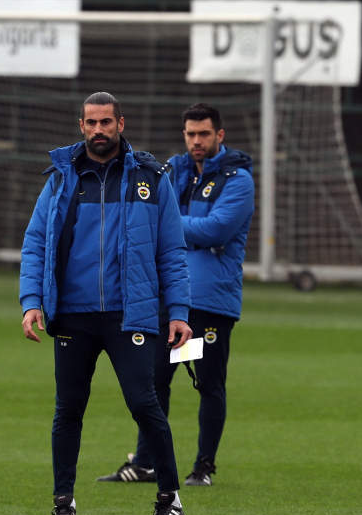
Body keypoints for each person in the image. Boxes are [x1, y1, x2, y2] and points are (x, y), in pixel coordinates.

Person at [20, 92, 192, 515]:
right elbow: (35, 243)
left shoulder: (152, 179)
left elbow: (172, 251)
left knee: (144, 403)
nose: (99, 130)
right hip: (72, 315)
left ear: (121, 124)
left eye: (106, 122)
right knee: (68, 410)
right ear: (81, 126)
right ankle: (63, 502)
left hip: (129, 314)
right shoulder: (61, 179)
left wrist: (178, 311)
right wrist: (31, 301)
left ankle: (170, 500)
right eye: (91, 122)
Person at [97, 103, 255, 487]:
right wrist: (178, 227)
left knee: (208, 384)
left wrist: (167, 223)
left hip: (210, 301)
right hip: (169, 298)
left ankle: (203, 467)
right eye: (190, 133)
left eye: (204, 133)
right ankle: (146, 463)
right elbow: (146, 217)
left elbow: (217, 230)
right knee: (154, 380)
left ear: (220, 135)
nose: (196, 140)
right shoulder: (172, 170)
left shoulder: (239, 180)